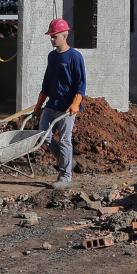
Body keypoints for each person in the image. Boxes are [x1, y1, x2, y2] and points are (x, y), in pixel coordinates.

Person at [31, 18, 86, 189]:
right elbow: (47, 82)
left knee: (64, 141)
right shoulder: (52, 56)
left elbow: (81, 84)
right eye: (51, 36)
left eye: (54, 36)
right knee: (43, 136)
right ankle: (67, 161)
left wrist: (76, 103)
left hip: (67, 107)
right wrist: (39, 104)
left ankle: (66, 177)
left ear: (64, 35)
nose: (51, 39)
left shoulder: (75, 57)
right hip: (52, 104)